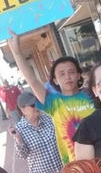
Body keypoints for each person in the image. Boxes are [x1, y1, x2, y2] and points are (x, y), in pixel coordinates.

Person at [7, 29, 94, 164]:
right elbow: (33, 81)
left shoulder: (92, 94)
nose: (67, 76)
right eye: (62, 74)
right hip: (75, 168)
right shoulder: (54, 103)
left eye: (71, 72)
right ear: (55, 80)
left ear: (78, 75)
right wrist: (16, 52)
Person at [8, 91, 62, 173]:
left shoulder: (48, 119)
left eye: (38, 103)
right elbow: (23, 155)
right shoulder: (20, 129)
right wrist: (18, 138)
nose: (37, 106)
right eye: (33, 105)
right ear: (23, 110)